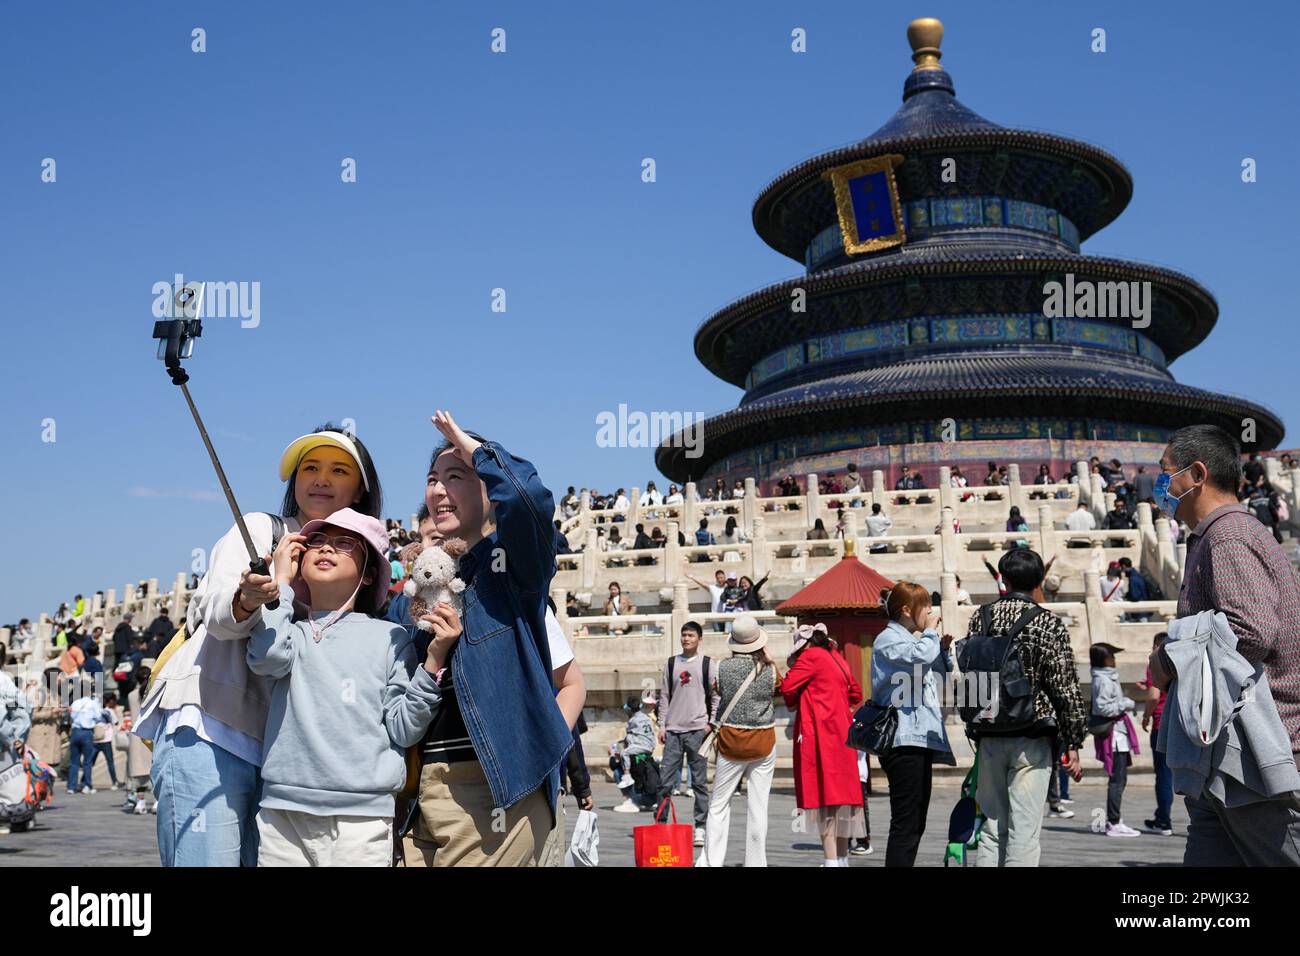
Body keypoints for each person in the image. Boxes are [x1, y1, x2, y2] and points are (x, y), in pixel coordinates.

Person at [137, 423, 385, 867]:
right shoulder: (260, 530)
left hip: (284, 766)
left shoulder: (352, 562)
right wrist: (249, 596)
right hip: (211, 731)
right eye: (310, 468)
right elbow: (215, 614)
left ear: (361, 490)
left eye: (338, 470)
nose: (321, 478)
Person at [407, 411, 584, 867]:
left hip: (492, 789)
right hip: (420, 790)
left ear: (489, 489)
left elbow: (530, 502)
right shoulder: (419, 588)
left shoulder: (509, 571)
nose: (439, 489)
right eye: (433, 478)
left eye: (457, 474)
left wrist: (535, 746)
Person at [246, 508, 449, 867]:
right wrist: (281, 582)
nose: (326, 549)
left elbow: (404, 728)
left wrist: (432, 662)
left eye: (344, 544)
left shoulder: (390, 636)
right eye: (317, 542)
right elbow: (266, 658)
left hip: (362, 816)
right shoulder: (289, 629)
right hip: (284, 810)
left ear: (370, 574)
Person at [1147, 424, 1300, 865]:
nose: (1161, 485)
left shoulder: (1229, 536)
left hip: (1257, 756)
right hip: (1221, 755)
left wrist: (1168, 660)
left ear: (1196, 474)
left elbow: (1250, 630)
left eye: (1166, 473)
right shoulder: (1215, 536)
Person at [961, 548, 1086, 867]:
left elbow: (971, 672)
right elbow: (1065, 686)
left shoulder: (982, 617)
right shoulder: (1046, 623)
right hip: (1032, 735)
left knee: (991, 828)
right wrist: (1073, 740)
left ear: (1003, 578)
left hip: (988, 733)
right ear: (1039, 580)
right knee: (1023, 830)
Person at [870, 581, 955, 866]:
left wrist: (942, 650)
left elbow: (936, 674)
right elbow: (919, 658)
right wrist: (930, 633)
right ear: (907, 610)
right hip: (901, 740)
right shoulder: (887, 639)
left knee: (916, 820)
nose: (931, 611)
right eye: (925, 606)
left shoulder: (914, 639)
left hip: (917, 739)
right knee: (906, 822)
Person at [699, 614, 782, 867]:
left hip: (732, 741)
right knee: (758, 807)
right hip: (763, 740)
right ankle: (756, 862)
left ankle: (712, 861)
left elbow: (718, 689)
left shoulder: (723, 667)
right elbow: (779, 688)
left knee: (719, 805)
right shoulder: (770, 669)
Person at [782, 623, 866, 866]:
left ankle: (830, 861)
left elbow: (787, 687)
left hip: (820, 734)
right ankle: (841, 859)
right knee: (841, 800)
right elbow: (856, 694)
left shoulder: (811, 656)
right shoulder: (836, 656)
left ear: (805, 645)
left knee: (823, 799)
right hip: (842, 734)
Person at [656, 621, 715, 843]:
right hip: (673, 730)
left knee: (699, 782)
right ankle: (661, 823)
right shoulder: (671, 664)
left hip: (697, 729)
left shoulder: (707, 663)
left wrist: (711, 723)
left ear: (699, 638)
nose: (686, 639)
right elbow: (664, 697)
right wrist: (662, 725)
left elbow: (716, 695)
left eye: (690, 635)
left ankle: (700, 826)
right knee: (665, 781)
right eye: (683, 635)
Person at [1090, 642, 1141, 837]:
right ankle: (1113, 821)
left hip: (1119, 733)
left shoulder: (1107, 677)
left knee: (1120, 779)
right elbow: (1102, 708)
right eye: (1112, 655)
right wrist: (1125, 704)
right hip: (1115, 735)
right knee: (1117, 780)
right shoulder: (1102, 680)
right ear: (1104, 658)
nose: (1115, 659)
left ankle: (1115, 820)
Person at [1140, 632, 1174, 836]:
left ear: (1155, 646)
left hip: (1161, 725)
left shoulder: (1155, 662)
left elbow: (1153, 696)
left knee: (1163, 775)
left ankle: (1163, 820)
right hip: (1179, 726)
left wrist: (1145, 715)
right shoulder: (1177, 661)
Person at [615, 691, 659, 813]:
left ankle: (631, 799)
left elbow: (630, 738)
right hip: (649, 750)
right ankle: (645, 800)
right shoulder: (647, 718)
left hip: (639, 750)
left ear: (628, 708)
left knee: (620, 759)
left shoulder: (633, 720)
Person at [67, 678, 109, 794]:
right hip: (87, 732)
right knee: (87, 761)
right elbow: (98, 716)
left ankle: (71, 786)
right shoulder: (93, 703)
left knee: (74, 761)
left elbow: (71, 717)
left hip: (75, 731)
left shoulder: (75, 703)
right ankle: (87, 785)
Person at [90, 690, 123, 791]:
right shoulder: (110, 711)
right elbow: (116, 723)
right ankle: (114, 782)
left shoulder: (95, 710)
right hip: (106, 740)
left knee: (90, 762)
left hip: (95, 739)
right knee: (110, 762)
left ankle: (85, 782)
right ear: (111, 701)